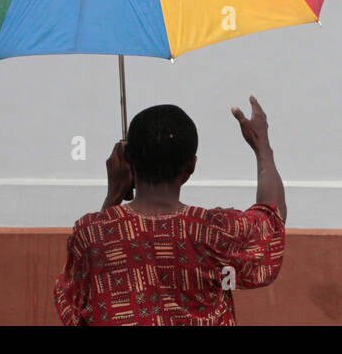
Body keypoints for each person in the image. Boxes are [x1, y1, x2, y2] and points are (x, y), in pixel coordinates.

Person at [53, 97, 286, 326]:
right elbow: (271, 220)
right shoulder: (214, 231)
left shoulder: (90, 234)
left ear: (126, 162)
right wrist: (262, 145)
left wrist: (113, 195)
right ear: (191, 166)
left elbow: (75, 305)